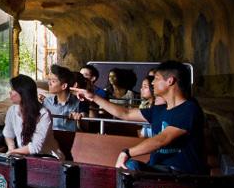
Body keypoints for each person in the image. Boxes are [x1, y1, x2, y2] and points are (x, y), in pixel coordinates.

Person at [71, 61, 208, 175]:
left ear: (170, 81)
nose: (153, 83)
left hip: (182, 172)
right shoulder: (159, 110)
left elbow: (163, 139)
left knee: (130, 165)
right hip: (158, 169)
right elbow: (125, 113)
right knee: (129, 167)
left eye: (156, 78)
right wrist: (93, 97)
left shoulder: (189, 109)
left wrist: (127, 152)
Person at [3, 74, 63, 158]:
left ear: (23, 92)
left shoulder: (43, 114)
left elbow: (36, 147)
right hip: (25, 156)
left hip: (47, 157)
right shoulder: (12, 110)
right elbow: (8, 132)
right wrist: (11, 148)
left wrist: (13, 152)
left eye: (13, 89)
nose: (10, 92)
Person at [39, 65, 87, 132]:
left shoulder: (80, 102)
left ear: (64, 86)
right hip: (51, 137)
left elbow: (85, 128)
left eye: (53, 81)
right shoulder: (46, 102)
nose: (49, 83)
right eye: (50, 80)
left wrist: (79, 120)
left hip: (71, 137)